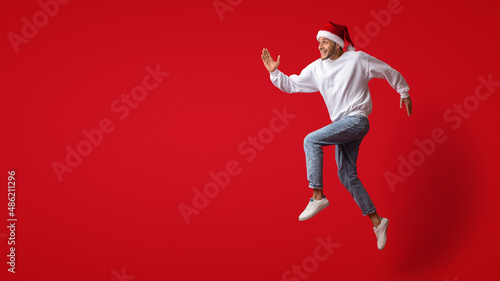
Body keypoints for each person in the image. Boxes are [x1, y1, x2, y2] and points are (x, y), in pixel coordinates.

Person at [260, 22, 412, 250]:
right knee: (347, 176)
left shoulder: (357, 60)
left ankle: (317, 196)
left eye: (324, 41)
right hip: (343, 125)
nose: (320, 46)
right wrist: (275, 72)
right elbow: (292, 85)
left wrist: (404, 91)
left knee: (311, 140)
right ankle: (378, 222)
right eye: (319, 41)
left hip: (357, 120)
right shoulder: (317, 68)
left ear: (337, 44)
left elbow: (387, 70)